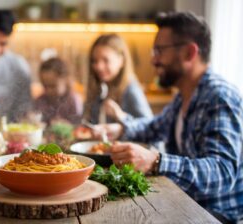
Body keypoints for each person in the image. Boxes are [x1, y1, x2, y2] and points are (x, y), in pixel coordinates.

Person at [94, 12, 243, 223]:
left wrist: (155, 161)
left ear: (190, 52)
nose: (153, 60)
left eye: (159, 50)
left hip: (215, 214)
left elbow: (223, 173)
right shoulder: (184, 94)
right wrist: (119, 129)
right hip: (185, 201)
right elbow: (154, 126)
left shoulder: (219, 97)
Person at [83, 34, 152, 124]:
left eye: (105, 60)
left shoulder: (131, 90)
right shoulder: (100, 89)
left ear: (121, 60)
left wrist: (121, 116)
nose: (98, 67)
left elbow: (149, 126)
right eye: (94, 61)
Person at [34, 57, 83, 125]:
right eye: (45, 86)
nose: (48, 90)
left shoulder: (73, 101)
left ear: (65, 79)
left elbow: (79, 126)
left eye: (53, 86)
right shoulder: (40, 101)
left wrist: (65, 125)